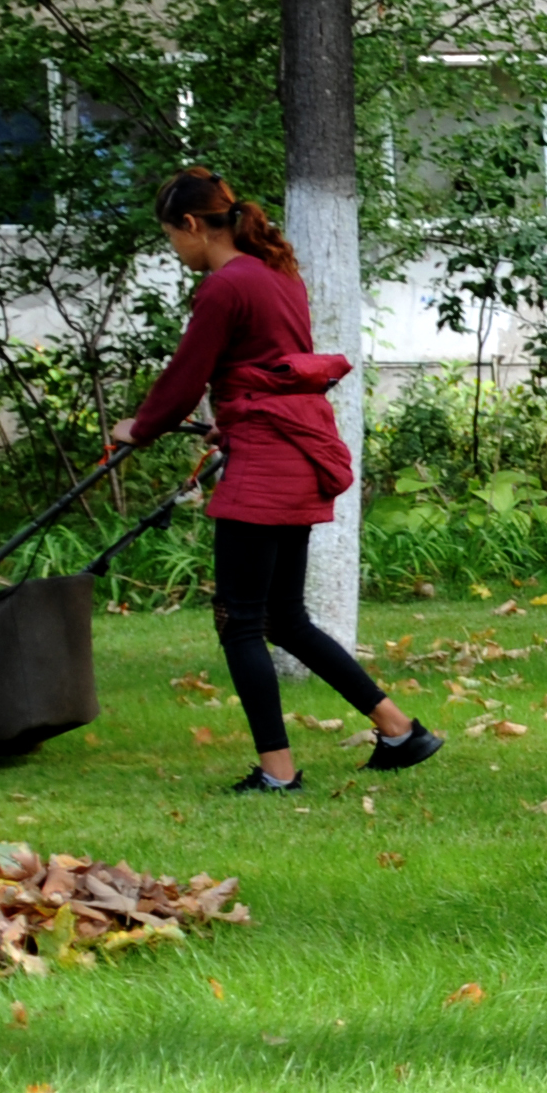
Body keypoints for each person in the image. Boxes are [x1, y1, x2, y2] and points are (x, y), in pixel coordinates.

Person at [111, 167, 442, 794]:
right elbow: (270, 372)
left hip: (265, 467)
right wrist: (231, 422)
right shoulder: (278, 277)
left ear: (190, 225)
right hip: (296, 452)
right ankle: (402, 732)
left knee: (240, 622)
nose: (174, 251)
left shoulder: (223, 286)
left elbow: (184, 380)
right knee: (285, 618)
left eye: (170, 238)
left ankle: (278, 771)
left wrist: (141, 428)